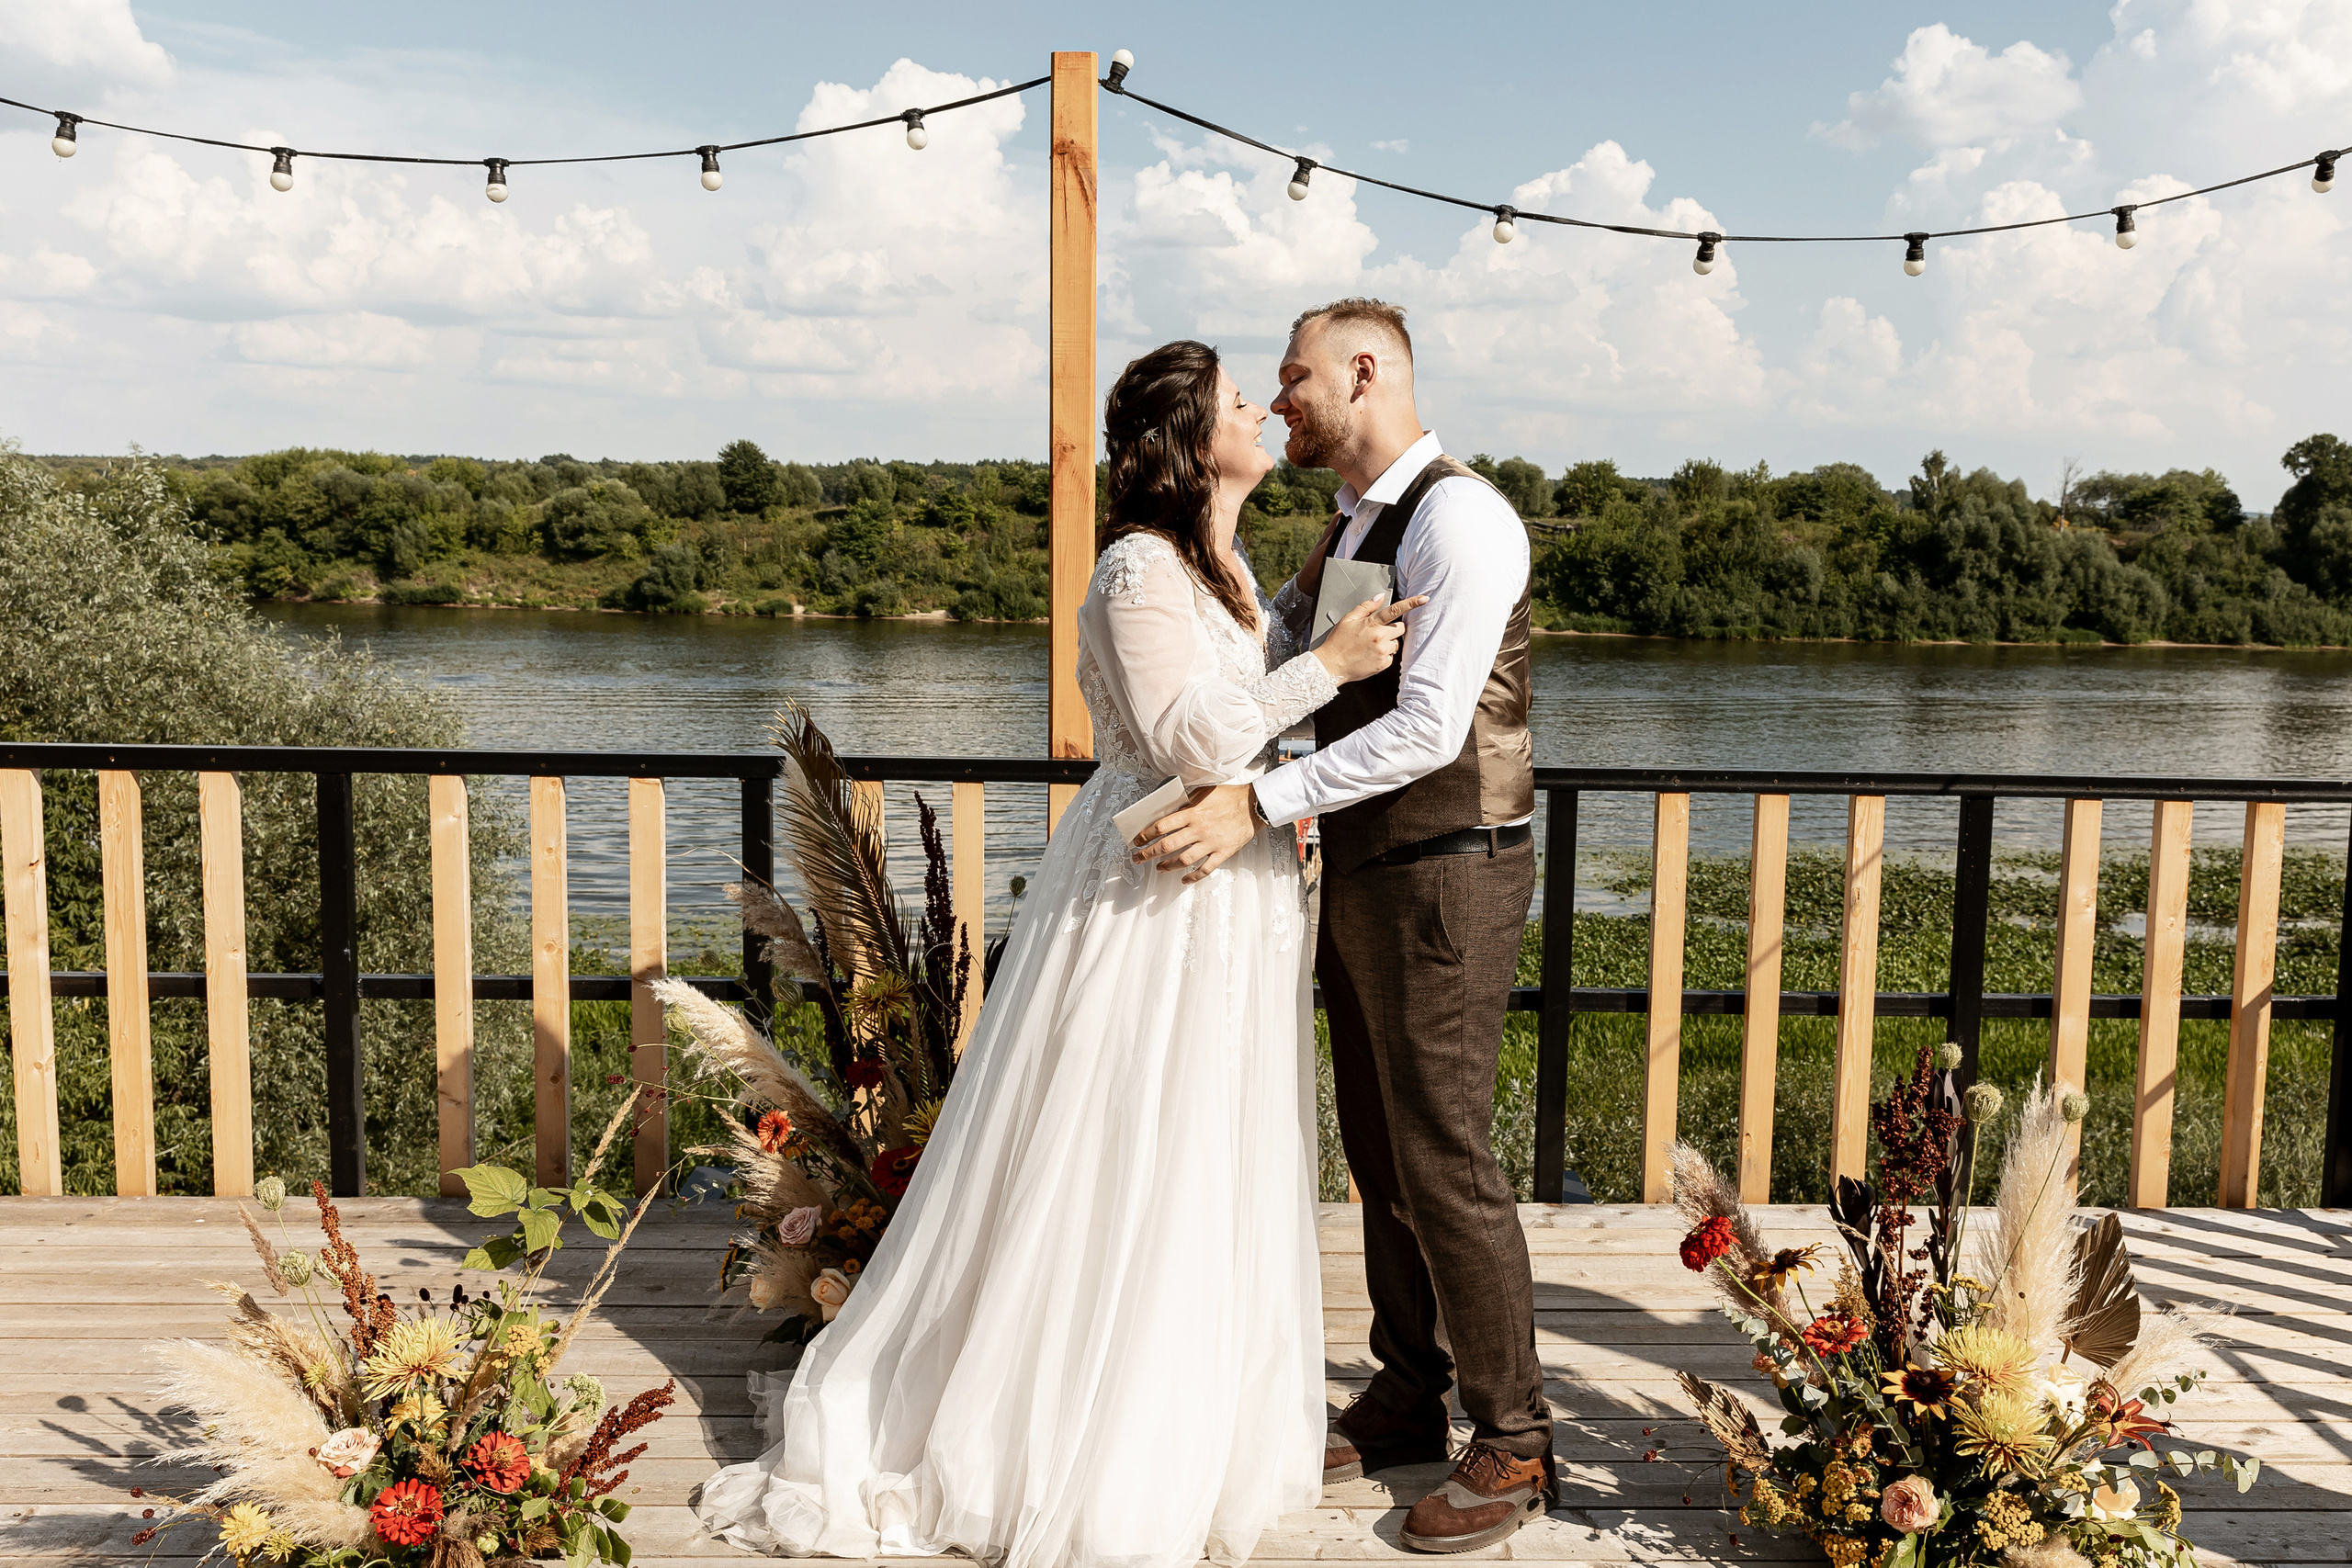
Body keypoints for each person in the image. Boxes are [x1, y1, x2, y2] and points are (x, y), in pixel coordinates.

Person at [694, 338, 1419, 1568]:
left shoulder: (1229, 567)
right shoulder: (1137, 567)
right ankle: (1058, 1436)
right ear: (1193, 442)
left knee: (1205, 1150)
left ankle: (1187, 1424)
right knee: (1119, 1144)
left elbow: (1231, 741)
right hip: (1147, 900)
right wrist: (1324, 671)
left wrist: (1291, 734)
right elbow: (1187, 733)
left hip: (1226, 887)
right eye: (1238, 399)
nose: (1259, 408)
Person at [1134, 298, 1550, 1554]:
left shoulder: (1464, 519)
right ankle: (1411, 1385)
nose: (1283, 397)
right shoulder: (1355, 525)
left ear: (1366, 373)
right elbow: (1294, 675)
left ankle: (1517, 1438)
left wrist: (1257, 802)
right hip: (1372, 866)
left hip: (1450, 870)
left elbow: (1429, 729)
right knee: (1377, 1146)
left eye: (1295, 376)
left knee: (1443, 1150)